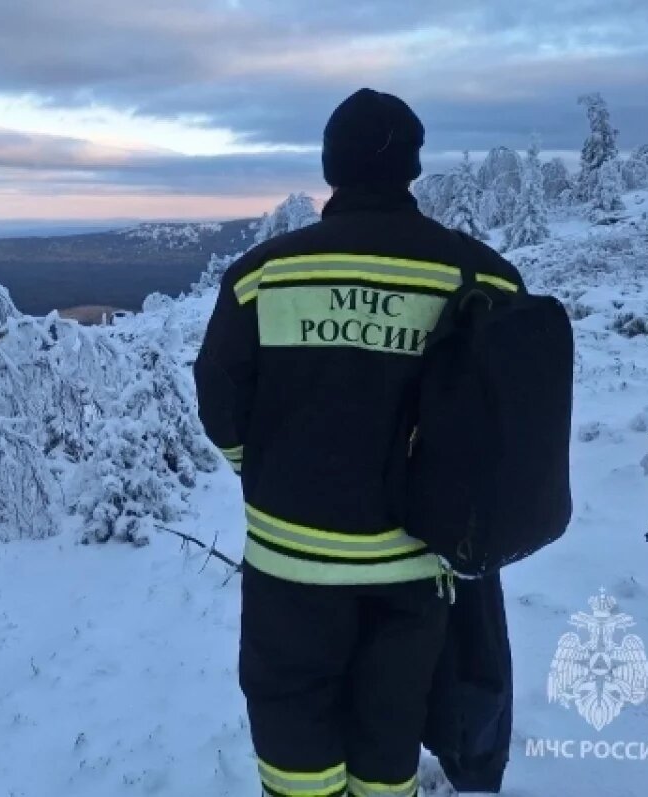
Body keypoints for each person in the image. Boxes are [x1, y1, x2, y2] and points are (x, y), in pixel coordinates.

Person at [193, 88, 525, 797]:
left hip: (291, 565)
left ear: (330, 166)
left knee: (294, 734)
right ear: (411, 167)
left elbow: (220, 400)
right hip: (415, 564)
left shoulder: (262, 275)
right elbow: (511, 413)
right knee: (389, 736)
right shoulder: (484, 276)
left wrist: (269, 471)